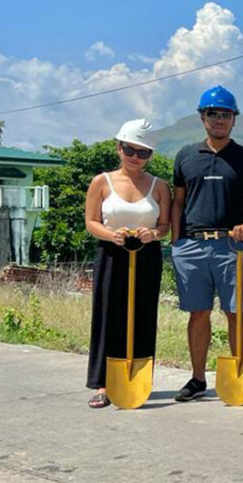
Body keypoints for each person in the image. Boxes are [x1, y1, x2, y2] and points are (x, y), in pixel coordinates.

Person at [170, 85, 243, 402]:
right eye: (213, 113)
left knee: (235, 311)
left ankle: (240, 373)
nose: (219, 120)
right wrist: (176, 243)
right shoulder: (185, 156)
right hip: (192, 246)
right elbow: (178, 203)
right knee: (198, 313)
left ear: (234, 119)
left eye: (226, 114)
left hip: (231, 246)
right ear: (202, 117)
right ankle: (198, 379)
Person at [84, 119, 171, 408]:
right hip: (112, 254)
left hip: (147, 256)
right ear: (118, 147)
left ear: (150, 156)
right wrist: (112, 235)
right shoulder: (102, 182)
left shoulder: (160, 186)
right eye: (130, 150)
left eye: (143, 152)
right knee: (108, 315)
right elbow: (91, 222)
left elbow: (165, 226)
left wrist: (152, 234)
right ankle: (102, 383)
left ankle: (139, 378)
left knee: (143, 316)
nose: (135, 157)